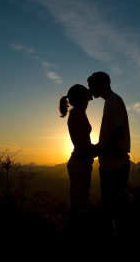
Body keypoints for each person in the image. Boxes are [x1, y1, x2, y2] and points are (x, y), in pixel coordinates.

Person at [87, 71, 131, 242]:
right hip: (110, 164)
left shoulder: (114, 101)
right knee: (111, 210)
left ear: (100, 82)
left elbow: (119, 131)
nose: (90, 90)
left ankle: (116, 246)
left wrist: (100, 148)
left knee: (113, 211)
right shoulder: (110, 102)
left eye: (92, 85)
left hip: (115, 165)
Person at [59, 84, 97, 236]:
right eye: (86, 90)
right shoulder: (79, 114)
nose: (90, 91)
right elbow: (83, 145)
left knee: (77, 203)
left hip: (80, 162)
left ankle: (72, 235)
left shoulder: (78, 113)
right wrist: (103, 148)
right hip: (80, 163)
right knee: (76, 205)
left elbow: (83, 144)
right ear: (82, 96)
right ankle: (71, 237)